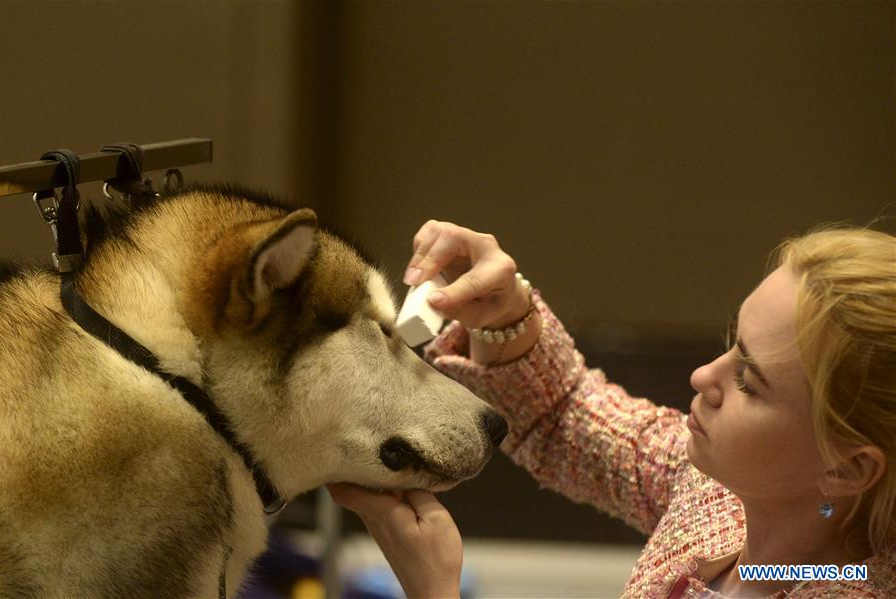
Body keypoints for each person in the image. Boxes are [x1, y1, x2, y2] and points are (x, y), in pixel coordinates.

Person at [327, 220, 896, 598]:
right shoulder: (733, 509)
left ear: (846, 468)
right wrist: (505, 316)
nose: (703, 377)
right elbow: (566, 413)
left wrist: (434, 590)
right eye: (731, 344)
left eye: (749, 381)